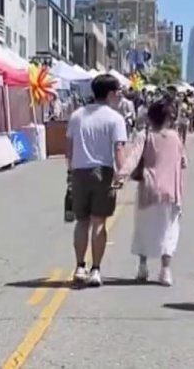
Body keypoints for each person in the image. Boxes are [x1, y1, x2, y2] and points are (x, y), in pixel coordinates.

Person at [65, 74, 129, 287]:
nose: (120, 95)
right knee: (99, 222)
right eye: (118, 91)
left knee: (81, 221)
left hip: (79, 171)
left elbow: (69, 149)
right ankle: (96, 269)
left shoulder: (77, 116)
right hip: (103, 171)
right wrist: (122, 173)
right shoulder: (114, 119)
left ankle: (79, 266)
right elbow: (118, 148)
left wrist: (71, 172)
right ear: (110, 93)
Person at [131, 100, 186, 286]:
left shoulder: (144, 136)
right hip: (171, 191)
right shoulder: (175, 138)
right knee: (168, 230)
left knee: (143, 228)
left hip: (148, 189)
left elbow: (133, 159)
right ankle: (165, 271)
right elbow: (183, 162)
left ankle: (143, 267)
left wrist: (119, 177)